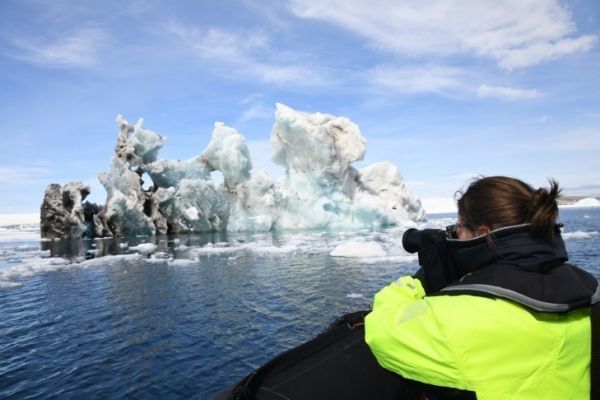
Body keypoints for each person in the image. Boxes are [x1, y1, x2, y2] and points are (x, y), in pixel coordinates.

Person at [365, 176, 599, 399]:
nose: (455, 235)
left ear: (483, 233)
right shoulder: (588, 291)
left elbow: (382, 332)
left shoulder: (462, 320)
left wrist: (422, 280)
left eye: (458, 228)